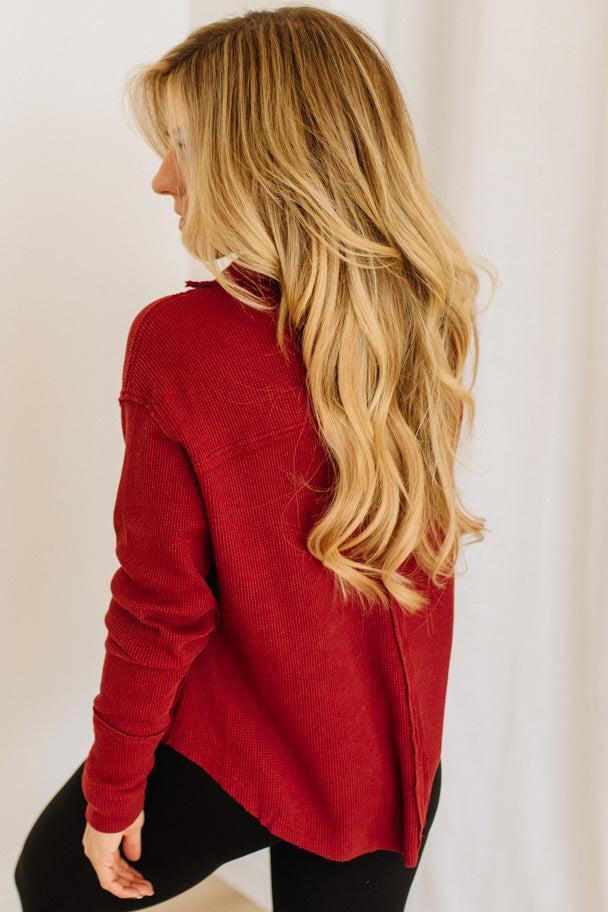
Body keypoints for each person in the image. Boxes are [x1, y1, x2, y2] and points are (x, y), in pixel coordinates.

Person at [14, 6, 494, 910]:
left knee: (55, 879)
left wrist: (113, 789)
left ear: (264, 160)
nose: (161, 179)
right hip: (385, 761)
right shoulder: (427, 313)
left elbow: (161, 605)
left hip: (256, 747)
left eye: (184, 146)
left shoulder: (182, 342)